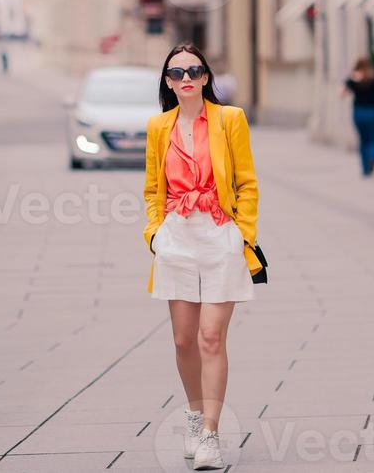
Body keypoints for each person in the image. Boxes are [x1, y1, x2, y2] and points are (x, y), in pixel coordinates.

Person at [143, 43, 261, 470]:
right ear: (168, 83)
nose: (186, 78)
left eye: (194, 70)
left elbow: (247, 183)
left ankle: (211, 434)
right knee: (182, 339)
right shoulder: (159, 127)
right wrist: (155, 234)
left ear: (207, 77)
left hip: (220, 236)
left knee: (212, 338)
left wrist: (240, 234)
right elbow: (154, 191)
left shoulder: (230, 120)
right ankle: (194, 417)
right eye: (177, 73)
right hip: (176, 237)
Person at [340, 57, 374, 176]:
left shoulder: (352, 79)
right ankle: (373, 156)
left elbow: (341, 94)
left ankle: (365, 169)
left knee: (363, 140)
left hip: (359, 112)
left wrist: (352, 81)